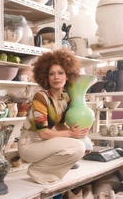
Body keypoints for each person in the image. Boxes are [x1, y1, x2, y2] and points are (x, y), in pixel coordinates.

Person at [18, 48, 90, 184]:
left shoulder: (65, 98)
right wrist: (70, 133)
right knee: (77, 147)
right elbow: (43, 133)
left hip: (44, 143)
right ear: (46, 77)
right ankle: (37, 171)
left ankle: (42, 171)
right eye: (51, 74)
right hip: (29, 144)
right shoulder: (41, 97)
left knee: (80, 145)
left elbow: (60, 125)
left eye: (60, 73)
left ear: (67, 75)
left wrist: (76, 132)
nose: (56, 77)